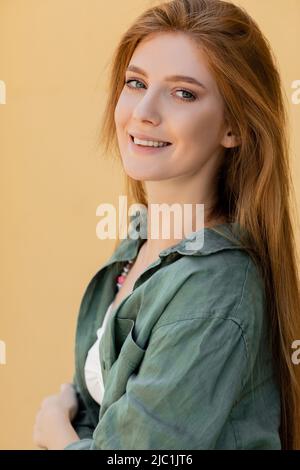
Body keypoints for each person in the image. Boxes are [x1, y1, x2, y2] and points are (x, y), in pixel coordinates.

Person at [33, 0, 300, 450]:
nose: (144, 112)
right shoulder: (140, 240)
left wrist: (55, 433)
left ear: (232, 126)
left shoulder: (216, 284)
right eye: (136, 83)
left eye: (183, 93)